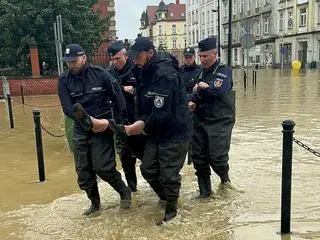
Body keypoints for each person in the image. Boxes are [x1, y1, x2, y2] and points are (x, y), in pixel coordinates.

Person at [58, 43, 132, 216]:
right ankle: (95, 204)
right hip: (81, 128)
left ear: (84, 58)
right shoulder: (64, 81)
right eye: (67, 62)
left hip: (102, 127)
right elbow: (67, 108)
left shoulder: (100, 75)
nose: (71, 65)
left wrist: (119, 125)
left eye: (74, 61)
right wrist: (86, 120)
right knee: (83, 172)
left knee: (103, 167)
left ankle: (124, 191)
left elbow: (118, 98)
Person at [124, 37, 192, 225]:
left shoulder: (165, 73)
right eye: (133, 57)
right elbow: (141, 101)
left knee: (168, 174)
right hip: (156, 131)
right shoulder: (141, 70)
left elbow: (162, 111)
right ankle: (167, 197)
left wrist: (142, 126)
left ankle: (172, 213)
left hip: (175, 131)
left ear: (150, 53)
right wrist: (139, 121)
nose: (135, 60)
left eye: (138, 56)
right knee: (147, 168)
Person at [188, 37, 236, 199]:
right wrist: (193, 100)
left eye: (205, 56)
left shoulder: (224, 71)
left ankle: (225, 181)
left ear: (215, 54)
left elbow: (219, 92)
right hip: (200, 121)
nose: (202, 60)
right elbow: (194, 93)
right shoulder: (200, 73)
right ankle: (205, 193)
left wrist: (201, 89)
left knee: (217, 157)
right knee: (199, 158)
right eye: (200, 56)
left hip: (220, 121)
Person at [106, 40, 144, 192]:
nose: (115, 62)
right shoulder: (109, 74)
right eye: (113, 59)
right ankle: (133, 190)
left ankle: (159, 189)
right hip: (120, 123)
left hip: (138, 121)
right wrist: (122, 88)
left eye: (118, 59)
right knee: (126, 159)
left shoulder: (137, 69)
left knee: (146, 158)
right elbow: (107, 91)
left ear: (125, 55)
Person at [180, 47, 201, 165]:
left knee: (194, 138)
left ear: (194, 57)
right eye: (186, 57)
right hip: (182, 109)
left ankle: (192, 162)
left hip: (194, 109)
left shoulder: (200, 71)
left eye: (190, 57)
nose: (188, 59)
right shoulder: (180, 71)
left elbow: (198, 92)